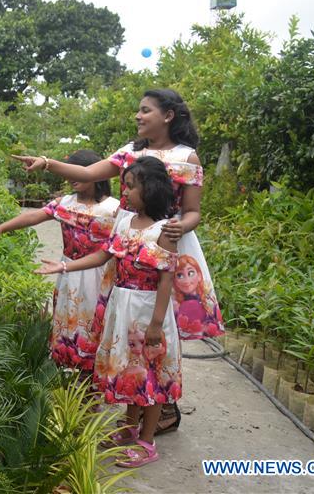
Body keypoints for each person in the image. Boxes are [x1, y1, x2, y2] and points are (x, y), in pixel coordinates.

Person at [12, 88, 224, 434]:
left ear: (168, 116)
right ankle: (131, 401)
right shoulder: (130, 152)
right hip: (128, 243)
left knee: (161, 327)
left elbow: (193, 212)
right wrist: (47, 163)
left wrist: (174, 228)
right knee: (125, 322)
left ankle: (163, 406)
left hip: (166, 247)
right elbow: (90, 172)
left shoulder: (188, 158)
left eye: (145, 111)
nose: (138, 117)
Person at [36, 156, 181, 468]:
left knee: (150, 376)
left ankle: (147, 441)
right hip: (122, 306)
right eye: (124, 186)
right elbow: (103, 255)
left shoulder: (164, 230)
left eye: (131, 186)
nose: (124, 193)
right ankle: (129, 430)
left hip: (147, 312)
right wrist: (64, 265)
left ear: (151, 189)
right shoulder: (124, 222)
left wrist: (156, 325)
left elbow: (167, 280)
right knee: (129, 371)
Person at [0, 151, 120, 373]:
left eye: (78, 172)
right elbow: (34, 216)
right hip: (67, 273)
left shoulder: (114, 209)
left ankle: (91, 384)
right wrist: (2, 227)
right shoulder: (64, 203)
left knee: (95, 324)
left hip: (99, 275)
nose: (72, 178)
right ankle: (70, 374)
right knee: (67, 319)